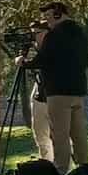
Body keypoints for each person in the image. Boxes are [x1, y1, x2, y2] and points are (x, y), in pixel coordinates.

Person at [22, 1, 88, 175]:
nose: (47, 20)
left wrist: (23, 63)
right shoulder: (79, 32)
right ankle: (84, 170)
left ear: (58, 14)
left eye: (48, 16)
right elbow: (87, 60)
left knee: (60, 135)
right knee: (78, 134)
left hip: (58, 92)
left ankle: (62, 171)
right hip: (78, 90)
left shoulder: (54, 35)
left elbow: (42, 60)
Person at [29, 22, 54, 164]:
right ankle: (47, 165)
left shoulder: (56, 47)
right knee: (40, 135)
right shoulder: (38, 49)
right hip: (39, 93)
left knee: (59, 135)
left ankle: (65, 168)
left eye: (37, 33)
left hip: (55, 95)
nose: (34, 37)